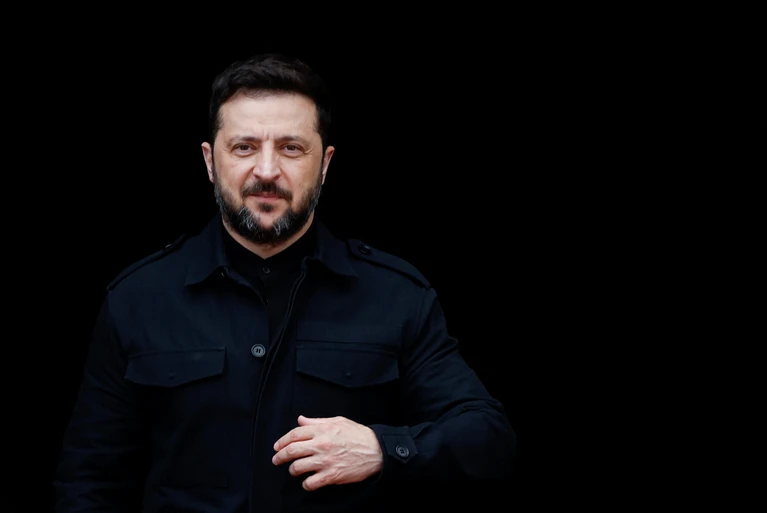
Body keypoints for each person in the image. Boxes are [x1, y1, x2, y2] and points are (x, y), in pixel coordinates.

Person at [54, 53, 516, 513]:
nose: (267, 171)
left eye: (291, 148)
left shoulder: (396, 297)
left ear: (325, 164)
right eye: (244, 147)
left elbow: (488, 437)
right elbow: (89, 481)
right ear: (210, 161)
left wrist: (382, 448)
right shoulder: (138, 299)